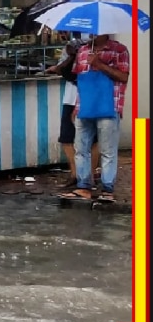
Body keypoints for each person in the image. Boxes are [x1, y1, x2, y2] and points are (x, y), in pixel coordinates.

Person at [58, 33, 130, 203]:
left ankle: (107, 189)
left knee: (107, 150)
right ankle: (83, 187)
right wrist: (77, 106)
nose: (92, 34)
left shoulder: (119, 50)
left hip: (109, 107)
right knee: (81, 148)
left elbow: (123, 77)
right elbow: (80, 81)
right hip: (85, 107)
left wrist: (99, 65)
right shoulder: (83, 51)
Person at [44, 36, 98, 190]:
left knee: (93, 139)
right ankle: (75, 174)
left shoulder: (98, 49)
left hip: (89, 97)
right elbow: (63, 70)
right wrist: (72, 55)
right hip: (71, 97)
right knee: (67, 138)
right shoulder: (71, 46)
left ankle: (90, 175)